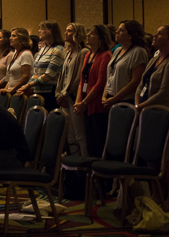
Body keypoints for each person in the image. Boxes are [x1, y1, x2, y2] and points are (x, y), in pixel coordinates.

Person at [136, 25, 169, 211]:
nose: (154, 36)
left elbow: (164, 92)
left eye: (159, 34)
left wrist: (141, 105)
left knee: (167, 154)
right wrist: (137, 103)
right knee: (151, 153)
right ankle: (156, 193)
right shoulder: (156, 56)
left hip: (164, 112)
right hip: (147, 111)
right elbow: (142, 82)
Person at [74, 25, 113, 158]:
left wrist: (84, 102)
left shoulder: (105, 55)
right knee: (90, 142)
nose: (88, 35)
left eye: (92, 34)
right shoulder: (88, 55)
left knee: (99, 143)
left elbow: (100, 83)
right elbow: (82, 80)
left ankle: (101, 177)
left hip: (97, 105)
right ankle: (90, 175)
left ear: (100, 38)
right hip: (86, 104)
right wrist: (78, 101)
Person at [56, 23, 88, 155]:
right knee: (69, 134)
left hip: (74, 95)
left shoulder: (83, 52)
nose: (65, 33)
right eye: (66, 30)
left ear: (77, 34)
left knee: (79, 133)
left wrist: (64, 93)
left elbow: (79, 77)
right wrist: (59, 93)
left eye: (69, 31)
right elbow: (63, 76)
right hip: (64, 95)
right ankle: (74, 164)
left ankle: (83, 162)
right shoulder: (68, 52)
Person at [102, 20, 149, 108]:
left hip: (125, 101)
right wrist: (104, 95)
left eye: (121, 30)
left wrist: (115, 98)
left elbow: (136, 81)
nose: (116, 32)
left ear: (130, 35)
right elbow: (110, 75)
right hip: (110, 98)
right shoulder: (117, 50)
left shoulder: (138, 52)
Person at [22, 20, 65, 111]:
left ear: (50, 31)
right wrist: (29, 85)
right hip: (38, 91)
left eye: (42, 29)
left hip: (49, 93)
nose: (39, 31)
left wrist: (29, 85)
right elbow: (35, 72)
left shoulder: (58, 50)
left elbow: (48, 75)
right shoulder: (43, 49)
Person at [0, 28, 33, 97]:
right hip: (11, 91)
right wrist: (6, 88)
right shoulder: (15, 53)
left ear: (21, 38)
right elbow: (10, 76)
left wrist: (13, 90)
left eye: (14, 36)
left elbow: (25, 77)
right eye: (11, 36)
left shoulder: (26, 54)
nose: (10, 38)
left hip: (19, 93)